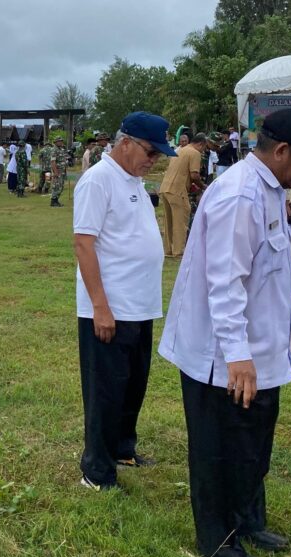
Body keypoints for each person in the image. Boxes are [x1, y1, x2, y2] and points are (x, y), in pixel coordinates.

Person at [157, 109, 291, 557]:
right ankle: (219, 542)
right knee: (218, 448)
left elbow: (272, 271)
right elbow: (224, 283)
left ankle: (249, 520)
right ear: (283, 151)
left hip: (259, 346)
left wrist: (285, 320)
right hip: (221, 354)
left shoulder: (273, 190)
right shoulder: (240, 195)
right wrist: (238, 356)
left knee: (253, 441)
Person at [73, 111, 176, 492]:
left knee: (132, 384)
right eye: (151, 151)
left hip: (139, 305)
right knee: (106, 390)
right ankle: (96, 470)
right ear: (126, 142)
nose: (155, 160)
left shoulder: (132, 179)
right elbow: (84, 244)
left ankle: (121, 448)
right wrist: (100, 306)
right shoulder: (98, 180)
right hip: (109, 308)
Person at [159, 133, 206, 258]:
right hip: (177, 190)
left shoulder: (180, 150)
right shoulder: (194, 153)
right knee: (180, 221)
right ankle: (179, 252)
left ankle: (168, 251)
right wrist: (204, 187)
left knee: (169, 222)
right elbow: (194, 175)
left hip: (165, 188)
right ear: (201, 144)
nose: (203, 151)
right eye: (204, 148)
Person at [50, 137, 68, 207]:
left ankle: (56, 200)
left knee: (61, 186)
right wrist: (55, 172)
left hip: (62, 171)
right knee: (57, 186)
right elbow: (53, 162)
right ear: (56, 142)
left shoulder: (61, 149)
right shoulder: (54, 150)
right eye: (59, 141)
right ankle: (53, 201)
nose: (61, 142)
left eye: (61, 141)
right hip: (58, 171)